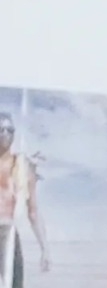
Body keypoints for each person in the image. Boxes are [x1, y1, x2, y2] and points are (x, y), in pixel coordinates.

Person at [0, 114, 50, 285]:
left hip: (9, 232)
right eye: (1, 129)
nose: (5, 134)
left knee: (14, 283)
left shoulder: (22, 167)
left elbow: (33, 211)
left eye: (9, 130)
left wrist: (44, 248)